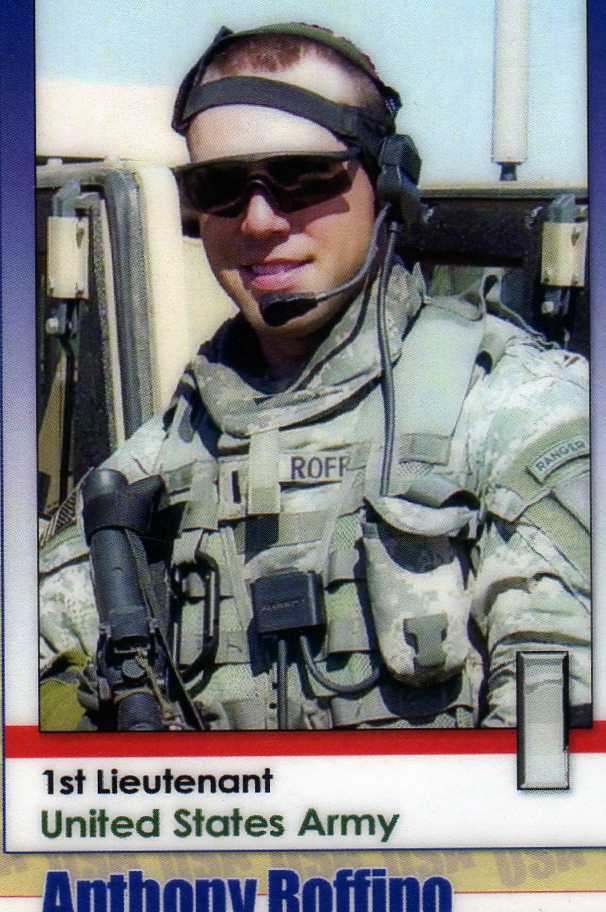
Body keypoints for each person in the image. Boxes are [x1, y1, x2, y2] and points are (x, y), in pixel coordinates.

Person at [39, 23, 590, 731]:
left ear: (387, 183)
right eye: (220, 187)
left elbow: (553, 741)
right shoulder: (164, 454)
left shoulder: (513, 409)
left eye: (301, 178)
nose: (260, 221)